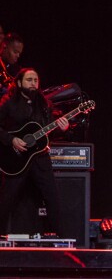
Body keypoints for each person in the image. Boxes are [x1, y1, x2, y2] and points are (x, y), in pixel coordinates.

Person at [0, 68, 69, 237]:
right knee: (6, 199)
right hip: (16, 159)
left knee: (52, 198)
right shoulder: (8, 103)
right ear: (19, 83)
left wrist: (62, 128)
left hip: (40, 157)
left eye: (36, 80)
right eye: (29, 80)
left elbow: (50, 129)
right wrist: (12, 140)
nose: (33, 83)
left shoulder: (44, 103)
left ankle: (60, 237)